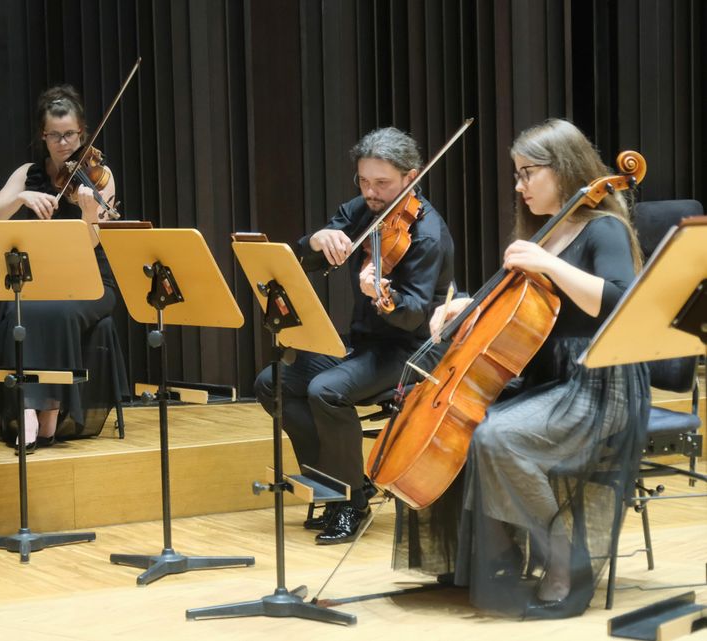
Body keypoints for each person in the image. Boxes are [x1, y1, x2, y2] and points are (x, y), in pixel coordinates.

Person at [395, 118, 650, 618]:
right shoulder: (544, 233)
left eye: (528, 172)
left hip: (597, 383)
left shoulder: (605, 229)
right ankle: (496, 561)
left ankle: (564, 557)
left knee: (497, 437)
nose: (519, 185)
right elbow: (522, 313)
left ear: (565, 169)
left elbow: (621, 302)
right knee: (466, 427)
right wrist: (463, 306)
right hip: (549, 378)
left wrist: (549, 264)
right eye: (517, 173)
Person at [255, 128, 456, 544]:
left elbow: (414, 313)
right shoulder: (364, 209)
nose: (371, 191)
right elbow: (303, 256)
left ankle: (350, 503)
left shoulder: (428, 234)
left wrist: (384, 298)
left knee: (326, 390)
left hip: (411, 349)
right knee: (271, 382)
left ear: (411, 177)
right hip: (365, 344)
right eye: (363, 180)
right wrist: (316, 238)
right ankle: (341, 483)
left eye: (381, 183)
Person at [0, 84, 126, 451]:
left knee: (55, 310)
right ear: (42, 136)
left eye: (70, 135)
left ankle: (46, 411)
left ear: (83, 133)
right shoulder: (28, 173)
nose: (64, 144)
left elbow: (92, 243)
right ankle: (33, 412)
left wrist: (89, 210)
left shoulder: (98, 176)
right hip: (38, 280)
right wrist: (19, 198)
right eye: (55, 136)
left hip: (91, 282)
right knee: (23, 305)